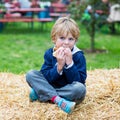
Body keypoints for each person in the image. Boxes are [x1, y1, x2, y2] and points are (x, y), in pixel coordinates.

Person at [26, 17, 87, 114]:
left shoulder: (78, 56)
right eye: (62, 38)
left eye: (70, 39)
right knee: (30, 74)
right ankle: (58, 100)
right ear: (54, 39)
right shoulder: (49, 53)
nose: (66, 43)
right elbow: (45, 77)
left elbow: (79, 81)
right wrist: (59, 67)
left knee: (80, 89)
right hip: (50, 84)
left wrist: (70, 64)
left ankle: (41, 93)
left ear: (75, 41)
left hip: (68, 89)